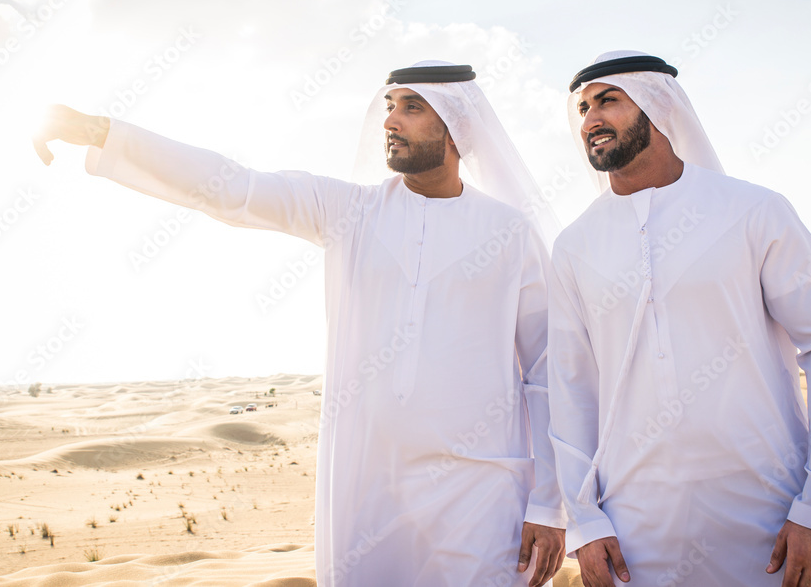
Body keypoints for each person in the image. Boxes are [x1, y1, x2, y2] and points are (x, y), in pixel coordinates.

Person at [33, 61, 566, 586]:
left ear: (457, 126)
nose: (390, 121)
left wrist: (548, 504)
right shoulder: (349, 212)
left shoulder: (510, 232)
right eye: (389, 106)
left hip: (481, 494)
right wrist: (101, 131)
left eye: (412, 107)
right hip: (367, 492)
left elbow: (545, 372)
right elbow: (231, 188)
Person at [547, 50, 811, 587]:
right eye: (582, 109)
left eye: (608, 101)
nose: (591, 120)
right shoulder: (574, 245)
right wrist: (584, 522)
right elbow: (572, 389)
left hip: (775, 518)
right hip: (636, 536)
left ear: (657, 105)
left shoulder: (752, 211)